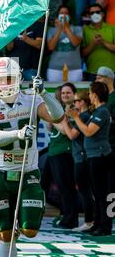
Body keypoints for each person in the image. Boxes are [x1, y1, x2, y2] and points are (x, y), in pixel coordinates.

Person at [0, 57, 64, 257]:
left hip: (28, 172)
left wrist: (45, 93)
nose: (3, 84)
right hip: (0, 173)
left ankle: (18, 230)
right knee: (4, 232)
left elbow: (57, 116)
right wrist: (17, 133)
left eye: (7, 78)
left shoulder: (31, 98)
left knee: (30, 230)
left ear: (17, 79)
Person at [67, 82, 113, 236]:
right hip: (93, 156)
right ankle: (98, 223)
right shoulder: (97, 111)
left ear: (96, 94)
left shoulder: (103, 112)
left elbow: (88, 131)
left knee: (102, 193)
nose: (89, 95)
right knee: (97, 192)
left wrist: (75, 117)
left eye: (90, 92)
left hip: (100, 156)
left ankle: (105, 226)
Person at [47, 83, 79, 229]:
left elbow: (67, 131)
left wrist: (54, 121)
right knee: (52, 185)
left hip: (65, 152)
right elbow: (49, 126)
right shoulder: (58, 109)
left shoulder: (75, 110)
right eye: (63, 93)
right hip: (53, 150)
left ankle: (70, 219)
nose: (65, 95)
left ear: (74, 94)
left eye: (68, 93)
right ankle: (64, 214)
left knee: (67, 186)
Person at [62, 90, 94, 232]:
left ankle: (89, 221)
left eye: (75, 101)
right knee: (87, 191)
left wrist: (64, 121)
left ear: (82, 102)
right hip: (82, 157)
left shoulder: (84, 116)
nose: (74, 104)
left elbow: (71, 135)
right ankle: (92, 220)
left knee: (85, 191)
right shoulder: (84, 116)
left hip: (82, 158)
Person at [46, 6, 83, 82]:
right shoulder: (51, 30)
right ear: (57, 16)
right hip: (55, 68)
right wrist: (59, 29)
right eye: (61, 13)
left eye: (66, 13)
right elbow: (51, 47)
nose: (64, 15)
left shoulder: (77, 29)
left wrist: (66, 27)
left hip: (74, 68)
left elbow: (75, 43)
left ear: (69, 16)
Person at [81, 3, 115, 81]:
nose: (95, 14)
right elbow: (82, 53)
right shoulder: (85, 30)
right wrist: (93, 43)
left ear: (103, 14)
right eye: (92, 13)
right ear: (89, 16)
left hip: (112, 72)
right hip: (92, 72)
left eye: (98, 12)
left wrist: (103, 42)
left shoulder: (113, 28)